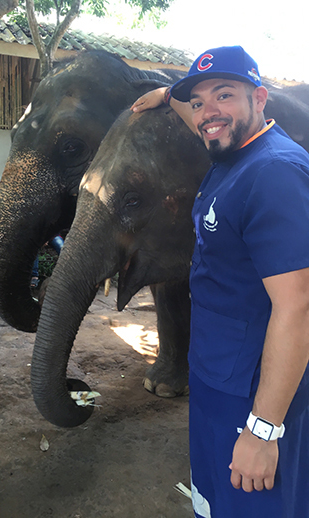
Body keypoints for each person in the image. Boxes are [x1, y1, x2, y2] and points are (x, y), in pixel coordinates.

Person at [132, 46, 309, 518]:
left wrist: (264, 430)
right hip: (216, 380)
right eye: (199, 102)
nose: (209, 113)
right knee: (213, 503)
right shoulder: (233, 153)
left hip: (253, 394)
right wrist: (170, 95)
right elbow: (206, 118)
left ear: (260, 98)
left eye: (225, 95)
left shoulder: (273, 174)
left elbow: (298, 309)